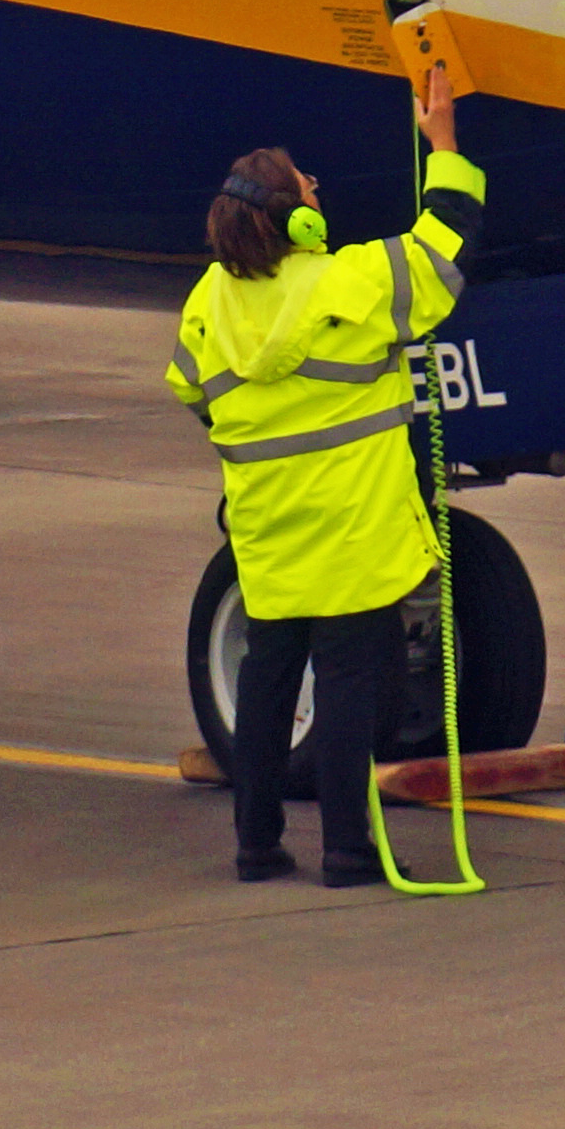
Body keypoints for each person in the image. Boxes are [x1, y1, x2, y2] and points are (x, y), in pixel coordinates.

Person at [166, 82, 488, 885]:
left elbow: (187, 388)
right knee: (351, 690)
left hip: (269, 531)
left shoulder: (208, 302)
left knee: (271, 682)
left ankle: (256, 846)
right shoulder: (348, 282)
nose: (320, 193)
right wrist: (443, 146)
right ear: (299, 218)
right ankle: (347, 851)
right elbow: (443, 246)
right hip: (353, 528)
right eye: (310, 186)